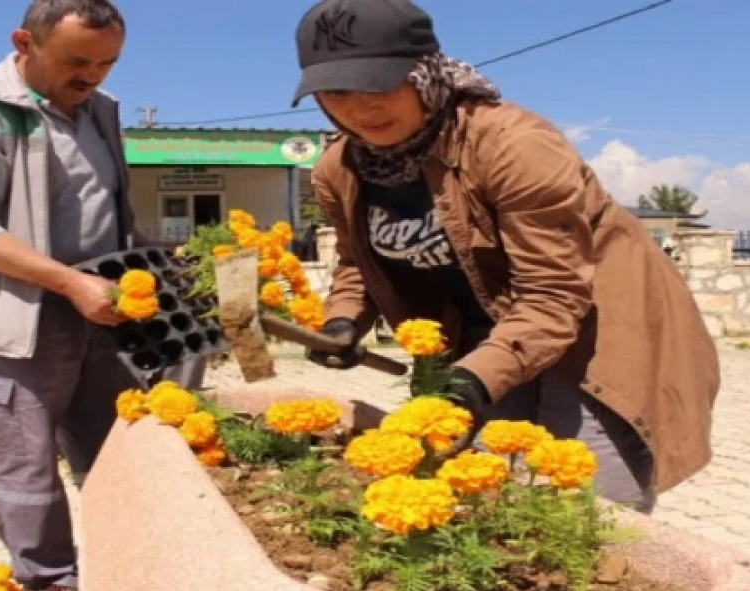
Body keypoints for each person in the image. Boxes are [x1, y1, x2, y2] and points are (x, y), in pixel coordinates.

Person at [294, 0, 720, 514]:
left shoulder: (514, 146)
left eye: (380, 85)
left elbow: (555, 294)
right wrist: (342, 321)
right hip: (488, 333)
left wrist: (474, 381)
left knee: (587, 502)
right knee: (479, 488)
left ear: (423, 72)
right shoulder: (339, 168)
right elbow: (358, 262)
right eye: (338, 92)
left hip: (596, 327)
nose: (361, 109)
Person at [0, 1, 204, 591]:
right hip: (10, 317)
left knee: (114, 450)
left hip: (98, 311)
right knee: (25, 464)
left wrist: (173, 262)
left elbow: (100, 214)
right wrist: (69, 282)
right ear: (24, 41)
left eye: (106, 61)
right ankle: (54, 590)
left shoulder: (97, 110)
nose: (93, 74)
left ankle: (123, 567)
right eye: (77, 60)